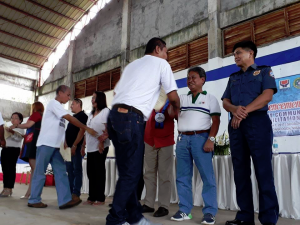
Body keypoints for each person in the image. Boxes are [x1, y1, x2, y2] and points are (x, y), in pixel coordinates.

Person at [106, 37, 180, 225]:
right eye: (166, 51)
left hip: (114, 117)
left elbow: (116, 94)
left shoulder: (132, 66)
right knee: (132, 174)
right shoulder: (162, 64)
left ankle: (134, 218)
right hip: (132, 118)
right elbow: (172, 95)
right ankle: (115, 219)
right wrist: (177, 108)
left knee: (128, 173)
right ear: (157, 49)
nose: (167, 55)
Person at [222, 40, 279, 225]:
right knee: (240, 172)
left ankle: (268, 218)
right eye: (234, 54)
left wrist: (243, 111)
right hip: (237, 127)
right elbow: (226, 102)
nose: (235, 57)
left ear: (250, 53)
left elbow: (267, 96)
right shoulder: (233, 77)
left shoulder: (263, 71)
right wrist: (234, 110)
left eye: (238, 53)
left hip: (257, 123)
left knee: (263, 171)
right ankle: (245, 217)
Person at [28, 85, 97, 209]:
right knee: (40, 172)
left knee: (61, 172)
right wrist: (86, 128)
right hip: (46, 144)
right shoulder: (53, 103)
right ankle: (34, 199)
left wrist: (64, 141)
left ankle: (65, 200)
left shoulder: (60, 108)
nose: (69, 98)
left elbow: (60, 128)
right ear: (60, 93)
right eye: (68, 94)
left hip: (55, 147)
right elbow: (70, 118)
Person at [171, 67, 220, 225]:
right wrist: (171, 102)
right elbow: (173, 115)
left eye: (193, 77)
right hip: (182, 140)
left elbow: (216, 121)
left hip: (201, 138)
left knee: (207, 177)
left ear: (202, 80)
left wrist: (211, 139)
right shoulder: (182, 98)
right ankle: (185, 210)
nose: (190, 80)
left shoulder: (210, 98)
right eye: (188, 78)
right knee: (182, 177)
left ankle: (210, 212)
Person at [142, 98, 175, 217]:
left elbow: (174, 114)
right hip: (149, 138)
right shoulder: (149, 97)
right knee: (148, 173)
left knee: (164, 174)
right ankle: (149, 203)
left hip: (165, 139)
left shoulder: (171, 98)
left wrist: (171, 101)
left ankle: (164, 206)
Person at [81, 91, 110, 206]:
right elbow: (86, 130)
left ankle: (100, 198)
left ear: (100, 99)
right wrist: (83, 145)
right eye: (92, 98)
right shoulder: (90, 114)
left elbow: (107, 129)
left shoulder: (106, 111)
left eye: (94, 98)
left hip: (100, 146)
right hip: (90, 147)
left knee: (99, 172)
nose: (92, 100)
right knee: (90, 173)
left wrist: (102, 142)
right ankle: (91, 197)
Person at [11, 101, 44, 199]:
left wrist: (16, 125)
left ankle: (32, 193)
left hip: (33, 143)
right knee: (34, 168)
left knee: (35, 169)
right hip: (36, 142)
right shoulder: (42, 116)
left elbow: (27, 125)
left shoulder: (36, 114)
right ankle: (30, 193)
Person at [65, 98, 88, 202]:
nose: (71, 106)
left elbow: (82, 131)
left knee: (77, 170)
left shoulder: (83, 116)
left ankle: (76, 193)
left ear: (79, 104)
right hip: (68, 148)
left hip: (76, 147)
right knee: (69, 171)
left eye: (73, 104)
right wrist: (66, 142)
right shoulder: (73, 117)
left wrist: (75, 145)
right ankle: (70, 192)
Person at [0, 112, 25, 197]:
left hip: (14, 149)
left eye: (16, 118)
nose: (13, 119)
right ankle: (5, 187)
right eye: (12, 117)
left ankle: (9, 188)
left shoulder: (21, 128)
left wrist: (12, 132)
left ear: (20, 120)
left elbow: (19, 139)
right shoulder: (7, 126)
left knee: (11, 168)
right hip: (5, 148)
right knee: (4, 168)